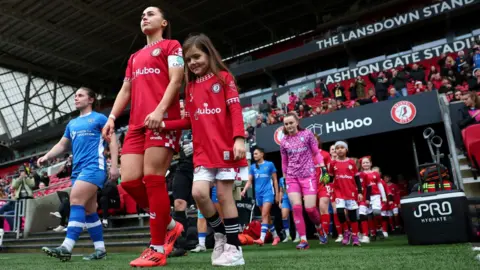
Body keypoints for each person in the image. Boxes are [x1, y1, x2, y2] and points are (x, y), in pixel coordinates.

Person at [101, 6, 184, 267]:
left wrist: (160, 110)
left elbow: (176, 80)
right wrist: (112, 118)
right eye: (142, 16)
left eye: (150, 14)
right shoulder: (135, 57)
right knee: (129, 182)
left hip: (162, 120)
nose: (144, 18)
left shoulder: (172, 46)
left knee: (152, 178)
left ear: (164, 22)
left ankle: (157, 248)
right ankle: (170, 224)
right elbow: (126, 90)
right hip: (136, 124)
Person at [162, 33, 248, 266]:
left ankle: (235, 249)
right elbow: (188, 120)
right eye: (188, 60)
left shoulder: (224, 78)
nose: (192, 63)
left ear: (209, 54)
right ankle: (221, 233)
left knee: (223, 195)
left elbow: (236, 111)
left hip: (226, 148)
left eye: (197, 56)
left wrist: (239, 139)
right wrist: (162, 123)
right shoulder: (190, 87)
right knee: (199, 194)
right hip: (202, 151)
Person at [38, 87, 119, 261]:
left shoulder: (100, 118)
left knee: (75, 200)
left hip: (94, 167)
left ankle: (66, 247)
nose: (76, 98)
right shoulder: (72, 123)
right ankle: (100, 250)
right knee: (90, 211)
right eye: (75, 96)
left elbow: (112, 140)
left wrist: (114, 165)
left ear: (91, 100)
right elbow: (62, 145)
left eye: (80, 95)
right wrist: (46, 156)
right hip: (78, 171)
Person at [279, 112, 328, 250]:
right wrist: (284, 177)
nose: (289, 126)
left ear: (297, 122)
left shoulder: (307, 134)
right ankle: (303, 239)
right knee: (296, 207)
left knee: (310, 209)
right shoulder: (284, 142)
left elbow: (316, 153)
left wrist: (323, 168)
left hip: (308, 176)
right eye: (286, 124)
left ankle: (319, 228)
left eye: (291, 123)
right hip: (292, 177)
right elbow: (284, 162)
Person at [170, 100, 194, 257]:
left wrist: (197, 144)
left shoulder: (198, 119)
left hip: (203, 166)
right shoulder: (175, 126)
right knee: (178, 203)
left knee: (210, 205)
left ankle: (224, 239)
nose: (182, 110)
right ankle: (181, 244)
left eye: (184, 107)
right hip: (182, 167)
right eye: (179, 109)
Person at [241, 147, 280, 246]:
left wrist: (277, 194)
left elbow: (275, 180)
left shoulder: (269, 165)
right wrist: (244, 190)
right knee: (267, 216)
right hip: (258, 195)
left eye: (256, 153)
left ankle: (261, 239)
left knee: (264, 215)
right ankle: (276, 236)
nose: (254, 156)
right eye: (253, 154)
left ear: (262, 154)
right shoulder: (253, 167)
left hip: (268, 193)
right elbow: (249, 181)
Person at [329, 141, 363, 246]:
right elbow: (330, 178)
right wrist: (330, 189)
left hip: (351, 191)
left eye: (342, 148)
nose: (339, 150)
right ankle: (346, 232)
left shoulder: (352, 162)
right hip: (338, 192)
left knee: (352, 215)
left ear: (346, 150)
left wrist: (360, 192)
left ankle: (355, 236)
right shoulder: (333, 163)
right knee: (339, 212)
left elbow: (357, 178)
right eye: (337, 148)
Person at [357, 157, 386, 243]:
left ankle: (379, 228)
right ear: (361, 165)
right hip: (364, 196)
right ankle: (368, 235)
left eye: (367, 162)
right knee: (364, 215)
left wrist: (383, 196)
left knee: (376, 212)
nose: (365, 164)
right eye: (364, 163)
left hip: (375, 196)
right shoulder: (359, 174)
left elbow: (380, 185)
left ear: (370, 163)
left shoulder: (375, 174)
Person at [314, 135, 333, 239]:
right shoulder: (305, 156)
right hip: (311, 188)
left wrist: (325, 181)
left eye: (315, 140)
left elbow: (329, 172)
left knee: (323, 208)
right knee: (314, 212)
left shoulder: (325, 154)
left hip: (323, 185)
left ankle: (324, 235)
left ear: (318, 142)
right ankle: (320, 231)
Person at [278, 176, 300, 243]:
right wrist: (279, 202)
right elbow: (281, 191)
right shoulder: (281, 179)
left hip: (294, 198)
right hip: (285, 199)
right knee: (284, 216)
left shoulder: (295, 176)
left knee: (295, 218)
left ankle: (297, 236)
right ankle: (288, 236)